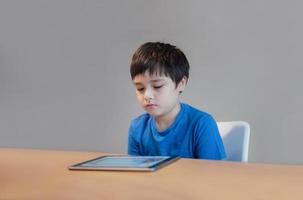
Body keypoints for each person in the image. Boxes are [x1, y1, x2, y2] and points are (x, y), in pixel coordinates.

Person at [128, 42, 226, 160]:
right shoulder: (137, 128)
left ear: (181, 84)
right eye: (140, 88)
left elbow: (215, 175)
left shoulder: (202, 124)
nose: (147, 96)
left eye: (157, 86)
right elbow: (134, 176)